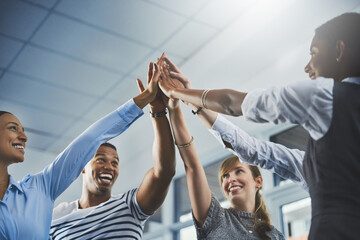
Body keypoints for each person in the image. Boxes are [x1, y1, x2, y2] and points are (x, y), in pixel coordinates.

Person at [158, 12, 360, 239]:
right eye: (225, 175)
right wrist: (189, 100)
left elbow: (232, 103)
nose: (308, 66)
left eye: (314, 53)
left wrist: (178, 92)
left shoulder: (325, 95)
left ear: (339, 51)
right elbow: (255, 150)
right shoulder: (321, 163)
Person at [0, 58, 162, 240]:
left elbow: (90, 139)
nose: (24, 137)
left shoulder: (39, 189)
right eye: (13, 128)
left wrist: (145, 98)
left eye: (23, 130)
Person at [49, 61, 176, 240]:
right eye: (101, 159)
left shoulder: (129, 206)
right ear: (83, 166)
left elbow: (163, 173)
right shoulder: (56, 217)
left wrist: (157, 110)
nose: (109, 166)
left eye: (115, 162)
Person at [165, 83, 284, 239]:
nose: (231, 179)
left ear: (258, 181)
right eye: (225, 176)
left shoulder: (274, 235)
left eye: (239, 171)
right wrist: (174, 108)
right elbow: (192, 166)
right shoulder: (216, 218)